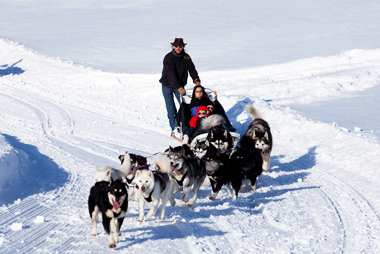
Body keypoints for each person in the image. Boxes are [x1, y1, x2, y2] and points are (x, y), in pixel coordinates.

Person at [159, 38, 201, 137]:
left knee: (185, 107)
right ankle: (174, 129)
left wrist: (196, 80)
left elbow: (192, 69)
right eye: (176, 46)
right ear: (173, 46)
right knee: (171, 108)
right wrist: (179, 87)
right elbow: (171, 75)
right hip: (167, 86)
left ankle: (189, 127)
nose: (178, 48)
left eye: (180, 46)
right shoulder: (168, 58)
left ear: (183, 47)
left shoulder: (186, 57)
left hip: (179, 86)